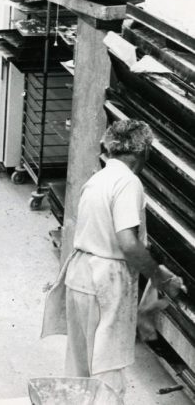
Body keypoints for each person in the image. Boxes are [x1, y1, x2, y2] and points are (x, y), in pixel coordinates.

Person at [41, 120, 187, 400]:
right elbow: (128, 244)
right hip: (105, 283)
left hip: (80, 275)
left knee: (80, 370)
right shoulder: (128, 183)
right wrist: (162, 279)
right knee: (107, 375)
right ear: (144, 152)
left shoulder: (97, 179)